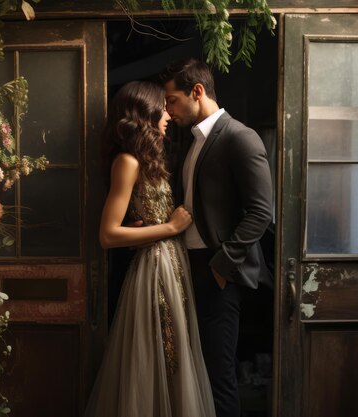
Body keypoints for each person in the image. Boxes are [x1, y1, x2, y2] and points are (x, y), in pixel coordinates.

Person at [84, 80, 216, 417]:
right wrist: (168, 228)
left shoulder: (149, 157)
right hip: (154, 269)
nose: (169, 115)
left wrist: (153, 231)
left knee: (174, 356)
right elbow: (107, 235)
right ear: (145, 112)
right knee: (159, 356)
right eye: (163, 106)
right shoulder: (127, 161)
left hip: (172, 263)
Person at [159, 58, 273, 417]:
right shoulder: (192, 141)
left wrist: (221, 267)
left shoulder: (240, 137)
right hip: (188, 267)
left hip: (218, 272)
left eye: (172, 100)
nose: (168, 109)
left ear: (197, 92)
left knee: (219, 374)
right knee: (194, 371)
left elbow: (260, 213)